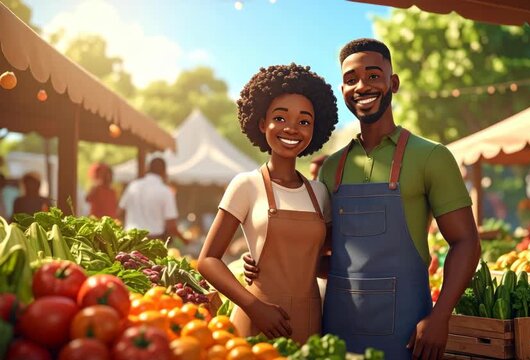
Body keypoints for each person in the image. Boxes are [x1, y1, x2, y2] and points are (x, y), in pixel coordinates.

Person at [244, 39, 481, 359]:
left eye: (373, 75)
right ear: (342, 90)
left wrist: (441, 316)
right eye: (351, 79)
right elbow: (324, 257)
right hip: (337, 330)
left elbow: (466, 241)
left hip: (407, 330)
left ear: (393, 83)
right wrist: (267, 259)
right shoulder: (331, 168)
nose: (362, 86)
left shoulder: (432, 157)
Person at [197, 64, 338, 344]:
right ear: (262, 124)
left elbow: (323, 263)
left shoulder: (320, 193)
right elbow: (207, 260)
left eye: (304, 121)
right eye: (280, 118)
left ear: (314, 130)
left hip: (309, 320)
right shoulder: (245, 185)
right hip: (257, 320)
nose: (292, 129)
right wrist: (254, 307)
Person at [118, 158, 186, 243]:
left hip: (129, 239)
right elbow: (171, 225)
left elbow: (119, 212)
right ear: (164, 172)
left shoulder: (133, 186)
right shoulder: (165, 191)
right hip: (152, 242)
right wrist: (185, 240)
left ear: (148, 169)